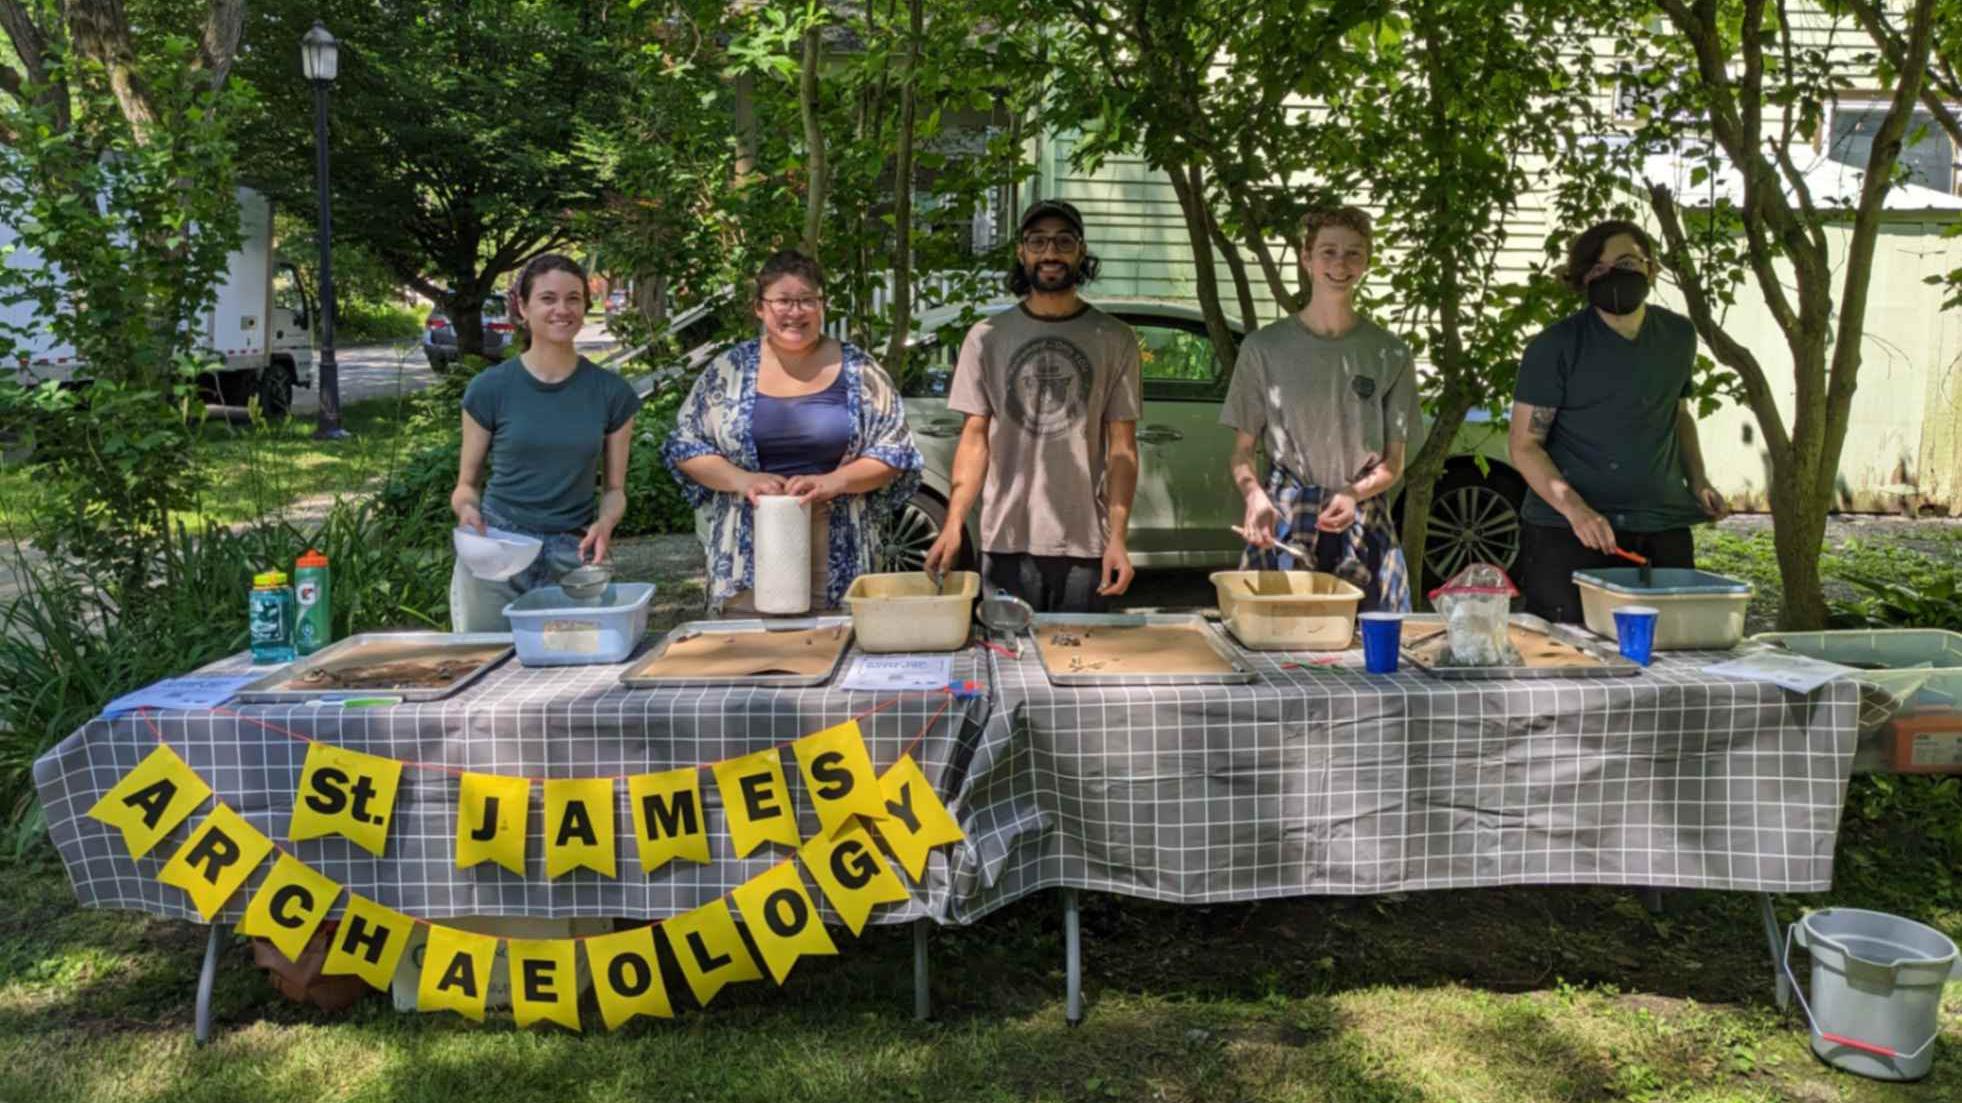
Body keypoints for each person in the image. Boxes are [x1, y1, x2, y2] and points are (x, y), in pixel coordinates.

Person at [663, 249, 921, 612]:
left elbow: (895, 452)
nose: (795, 312)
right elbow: (685, 445)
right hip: (746, 553)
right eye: (783, 301)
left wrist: (836, 481)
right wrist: (743, 480)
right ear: (759, 307)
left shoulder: (861, 371)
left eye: (806, 301)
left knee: (837, 654)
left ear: (822, 305)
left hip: (837, 548)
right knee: (747, 657)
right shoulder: (727, 372)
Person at [921, 199, 1141, 613]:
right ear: (1021, 253)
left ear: (1081, 251)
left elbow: (1123, 449)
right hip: (1005, 538)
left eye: (1063, 241)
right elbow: (973, 439)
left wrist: (1117, 537)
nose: (1050, 252)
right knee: (1009, 664)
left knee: (1080, 663)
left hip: (1084, 542)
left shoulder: (1114, 338)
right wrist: (952, 524)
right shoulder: (986, 337)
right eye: (1037, 241)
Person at [1507, 220, 1725, 624]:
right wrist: (1577, 511)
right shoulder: (1554, 346)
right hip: (1569, 532)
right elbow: (1524, 444)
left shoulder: (1678, 335)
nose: (1614, 277)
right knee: (1571, 653)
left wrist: (1698, 481)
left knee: (1671, 652)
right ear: (1584, 281)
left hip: (1662, 524)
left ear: (1650, 267)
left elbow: (1678, 415)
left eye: (1625, 262)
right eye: (1598, 270)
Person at [1222, 206, 1419, 612]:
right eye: (1328, 251)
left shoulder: (1390, 352)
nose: (1340, 264)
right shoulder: (1263, 348)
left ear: (1366, 261)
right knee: (1279, 649)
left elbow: (1393, 464)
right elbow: (1243, 451)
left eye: (1353, 253)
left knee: (1375, 654)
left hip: (1363, 518)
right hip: (1286, 517)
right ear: (1305, 258)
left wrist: (1352, 493)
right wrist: (1254, 496)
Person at [450, 253, 640, 632]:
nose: (562, 310)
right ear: (523, 306)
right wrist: (467, 512)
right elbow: (465, 487)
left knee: (577, 673)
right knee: (489, 675)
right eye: (548, 298)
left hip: (574, 554)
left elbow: (615, 489)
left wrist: (606, 522)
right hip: (498, 550)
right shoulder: (489, 389)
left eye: (574, 298)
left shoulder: (612, 393)